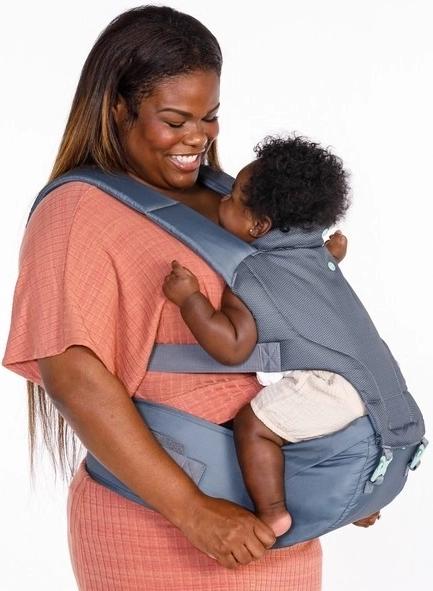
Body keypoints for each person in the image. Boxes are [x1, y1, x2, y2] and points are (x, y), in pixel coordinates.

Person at [2, 5, 350, 590]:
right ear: (118, 108)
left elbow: (311, 331)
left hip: (272, 514)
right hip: (160, 522)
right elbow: (74, 377)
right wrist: (193, 511)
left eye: (209, 117)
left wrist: (341, 468)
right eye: (175, 119)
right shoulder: (76, 212)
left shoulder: (229, 198)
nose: (197, 137)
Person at [162, 134, 383, 538]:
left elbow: (232, 347)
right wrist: (330, 258)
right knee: (303, 435)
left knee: (256, 426)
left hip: (328, 384)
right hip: (370, 384)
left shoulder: (251, 276)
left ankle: (273, 511)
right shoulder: (312, 257)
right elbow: (305, 289)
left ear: (258, 226)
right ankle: (359, 499)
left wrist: (190, 299)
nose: (222, 200)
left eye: (231, 199)